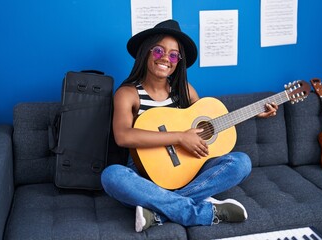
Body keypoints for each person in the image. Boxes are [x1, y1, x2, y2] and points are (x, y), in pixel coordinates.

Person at [101, 19, 278, 232]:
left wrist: (253, 113)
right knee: (112, 176)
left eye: (174, 55)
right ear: (146, 52)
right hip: (145, 179)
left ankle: (159, 211)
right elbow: (123, 136)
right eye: (158, 51)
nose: (166, 58)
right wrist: (179, 137)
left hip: (187, 175)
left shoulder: (184, 89)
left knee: (241, 162)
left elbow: (210, 126)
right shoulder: (128, 93)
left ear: (178, 61)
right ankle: (201, 212)